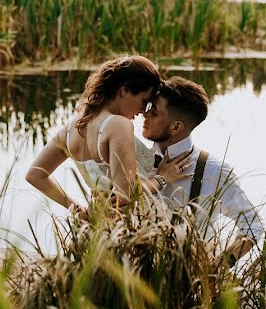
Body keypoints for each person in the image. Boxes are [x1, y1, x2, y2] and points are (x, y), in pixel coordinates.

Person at [25, 55, 189, 213]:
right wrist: (162, 178)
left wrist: (75, 208)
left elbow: (35, 175)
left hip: (101, 230)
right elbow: (125, 195)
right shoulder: (119, 125)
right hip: (132, 229)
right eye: (144, 101)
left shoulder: (70, 129)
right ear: (124, 91)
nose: (142, 111)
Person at [142, 76, 264, 264]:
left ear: (176, 127)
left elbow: (253, 226)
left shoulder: (214, 171)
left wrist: (219, 267)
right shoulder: (137, 159)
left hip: (189, 283)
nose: (145, 114)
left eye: (154, 112)